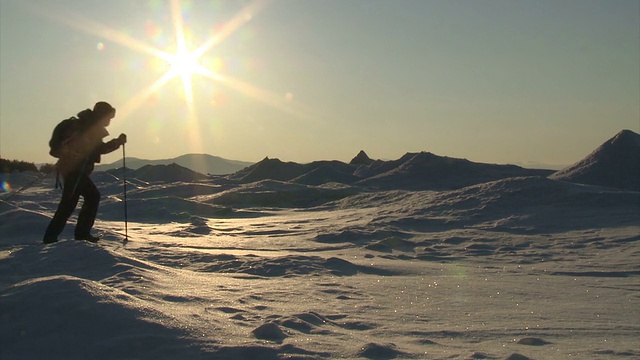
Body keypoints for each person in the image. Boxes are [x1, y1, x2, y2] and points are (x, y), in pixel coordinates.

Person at [43, 101, 127, 244]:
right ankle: (80, 234)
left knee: (69, 204)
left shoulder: (86, 124)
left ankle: (52, 237)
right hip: (75, 170)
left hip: (71, 169)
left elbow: (96, 148)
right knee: (91, 196)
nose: (109, 121)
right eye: (108, 117)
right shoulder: (90, 127)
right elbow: (100, 149)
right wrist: (118, 142)